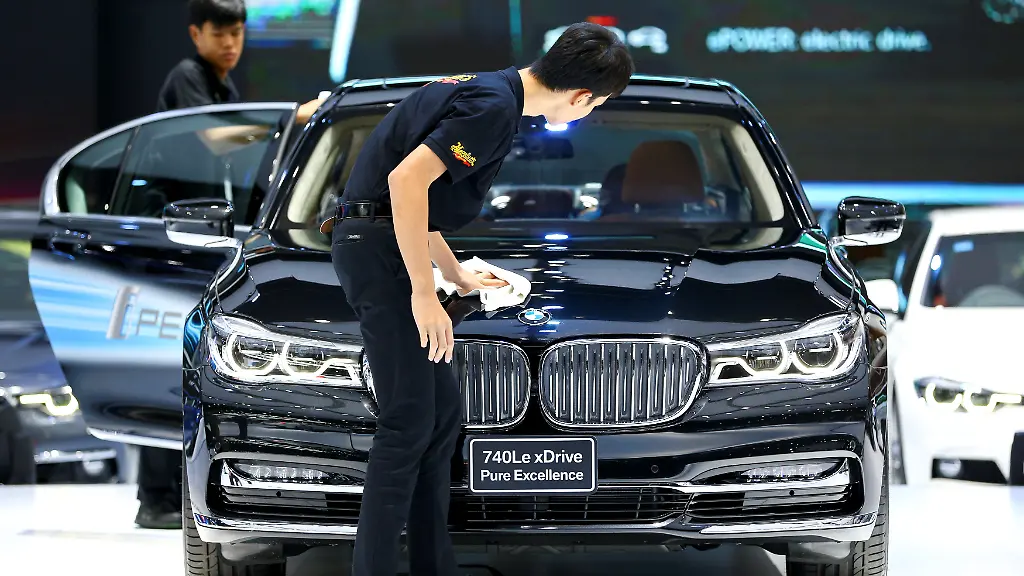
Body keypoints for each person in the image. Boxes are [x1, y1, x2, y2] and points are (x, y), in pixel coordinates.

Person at [322, 22, 633, 576]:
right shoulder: (492, 107)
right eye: (597, 106)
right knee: (407, 421)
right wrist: (424, 293)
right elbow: (405, 184)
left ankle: (432, 565)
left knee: (441, 418)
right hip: (379, 253)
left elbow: (418, 204)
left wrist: (456, 276)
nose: (588, 115)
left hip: (380, 241)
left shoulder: (491, 91)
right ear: (582, 96)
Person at [135, 0, 324, 530]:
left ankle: (169, 494)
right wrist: (291, 119)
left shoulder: (223, 87)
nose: (230, 43)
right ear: (196, 33)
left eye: (237, 33)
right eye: (220, 33)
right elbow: (215, 139)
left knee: (190, 364)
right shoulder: (188, 78)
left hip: (202, 237)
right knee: (176, 365)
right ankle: (156, 497)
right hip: (175, 240)